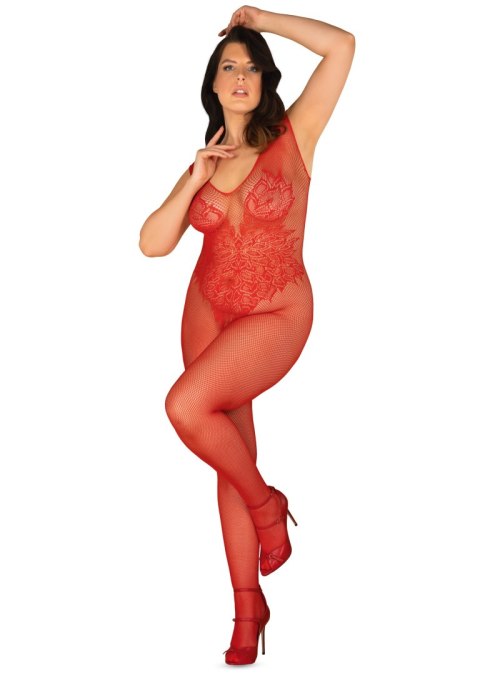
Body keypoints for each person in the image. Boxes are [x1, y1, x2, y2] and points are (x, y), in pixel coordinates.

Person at [139, 5, 355, 666]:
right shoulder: (206, 159)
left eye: (252, 67)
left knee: (185, 407)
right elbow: (152, 243)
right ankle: (246, 607)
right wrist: (194, 179)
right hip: (206, 312)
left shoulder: (296, 134)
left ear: (265, 81)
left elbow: (343, 46)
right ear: (212, 84)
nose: (240, 75)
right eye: (229, 66)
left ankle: (267, 505)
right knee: (227, 451)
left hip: (276, 313)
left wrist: (260, 19)